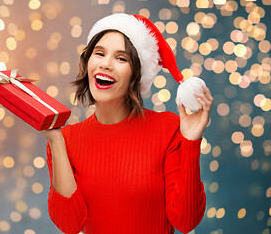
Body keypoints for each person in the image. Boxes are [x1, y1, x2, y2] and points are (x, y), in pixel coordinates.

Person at [41, 13, 213, 234]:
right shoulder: (65, 140)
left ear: (136, 74)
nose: (105, 64)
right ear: (87, 62)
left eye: (121, 58)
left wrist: (190, 142)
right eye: (99, 53)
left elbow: (186, 221)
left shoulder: (169, 128)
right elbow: (69, 224)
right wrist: (56, 141)